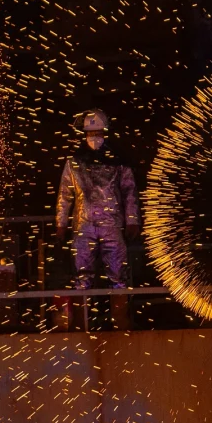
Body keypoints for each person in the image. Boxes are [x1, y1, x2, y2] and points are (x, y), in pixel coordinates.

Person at [55, 109, 139, 325]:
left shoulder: (118, 160)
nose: (94, 137)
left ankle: (120, 324)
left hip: (107, 225)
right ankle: (83, 326)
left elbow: (129, 191)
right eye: (91, 133)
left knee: (117, 277)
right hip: (86, 226)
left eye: (97, 133)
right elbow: (65, 194)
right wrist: (61, 223)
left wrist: (132, 220)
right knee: (83, 278)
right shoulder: (75, 161)